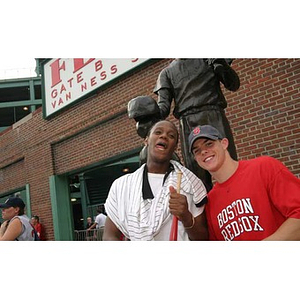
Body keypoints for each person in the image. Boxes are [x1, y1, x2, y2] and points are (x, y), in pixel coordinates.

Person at [188, 124, 300, 241]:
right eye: (197, 150)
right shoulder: (210, 202)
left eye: (209, 144)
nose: (204, 151)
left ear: (224, 143)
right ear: (196, 159)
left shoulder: (264, 167)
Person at [103, 120, 208, 241]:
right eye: (158, 132)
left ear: (175, 146)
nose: (164, 136)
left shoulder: (190, 183)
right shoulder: (121, 186)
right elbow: (109, 236)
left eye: (171, 135)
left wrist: (186, 216)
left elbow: (203, 238)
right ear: (146, 140)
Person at [153, 58, 240, 191]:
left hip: (212, 115)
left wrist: (220, 64)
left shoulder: (208, 58)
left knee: (228, 166)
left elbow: (233, 84)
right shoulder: (167, 73)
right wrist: (149, 112)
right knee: (197, 178)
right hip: (188, 122)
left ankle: (238, 200)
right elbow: (163, 108)